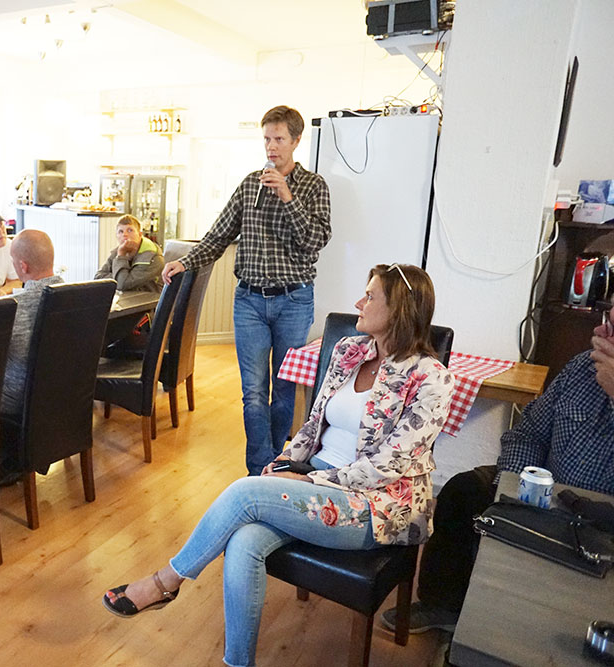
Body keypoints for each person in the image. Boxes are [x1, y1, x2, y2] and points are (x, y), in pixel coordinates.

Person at [104, 264, 453, 667]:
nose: (359, 302)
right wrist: (287, 462)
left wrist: (309, 479)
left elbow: (388, 465)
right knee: (244, 541)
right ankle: (239, 663)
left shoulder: (432, 379)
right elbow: (312, 423)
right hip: (317, 476)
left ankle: (165, 582)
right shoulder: (350, 351)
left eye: (371, 296)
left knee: (246, 493)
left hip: (377, 505)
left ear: (400, 309)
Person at [380, 316, 614, 635]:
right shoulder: (582, 368)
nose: (599, 331)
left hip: (601, 520)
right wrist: (517, 489)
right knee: (462, 491)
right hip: (547, 491)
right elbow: (528, 433)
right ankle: (444, 604)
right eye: (606, 319)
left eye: (612, 329)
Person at [162, 105, 331, 476]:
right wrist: (185, 261)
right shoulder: (250, 184)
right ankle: (259, 471)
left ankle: (276, 464)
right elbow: (219, 235)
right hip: (249, 301)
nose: (271, 146)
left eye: (279, 139)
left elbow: (315, 241)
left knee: (283, 390)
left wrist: (288, 197)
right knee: (253, 392)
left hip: (294, 300)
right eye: (267, 138)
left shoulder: (314, 186)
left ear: (296, 141)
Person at [0, 230, 63, 480]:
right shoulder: (78, 296)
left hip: (18, 400)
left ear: (22, 266)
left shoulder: (16, 308)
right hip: (62, 393)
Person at [95, 214, 164, 293]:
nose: (125, 234)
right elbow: (98, 277)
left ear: (140, 234)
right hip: (125, 297)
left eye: (130, 230)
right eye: (121, 231)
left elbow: (123, 285)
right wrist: (118, 277)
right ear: (116, 236)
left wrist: (121, 256)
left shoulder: (152, 256)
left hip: (148, 298)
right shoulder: (119, 250)